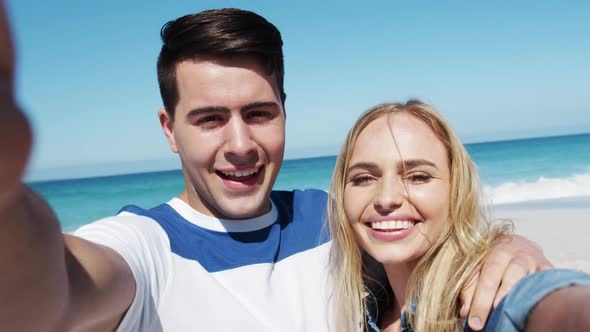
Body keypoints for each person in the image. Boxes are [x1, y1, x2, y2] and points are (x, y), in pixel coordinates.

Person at [0, 4, 554, 331]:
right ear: (170, 131)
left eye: (259, 113)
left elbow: (433, 237)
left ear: (285, 111)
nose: (240, 144)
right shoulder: (146, 248)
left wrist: (514, 250)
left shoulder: (331, 220)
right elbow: (53, 290)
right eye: (210, 118)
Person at [327, 100, 590, 332]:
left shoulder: (481, 298)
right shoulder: (362, 309)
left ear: (456, 190)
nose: (386, 198)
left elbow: (548, 304)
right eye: (363, 179)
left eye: (418, 176)